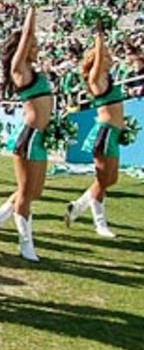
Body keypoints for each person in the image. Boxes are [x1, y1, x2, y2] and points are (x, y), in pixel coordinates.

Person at [0, 7, 49, 259]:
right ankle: (25, 244)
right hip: (28, 137)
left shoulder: (34, 70)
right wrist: (31, 7)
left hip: (40, 138)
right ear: (23, 46)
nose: (37, 46)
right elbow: (28, 32)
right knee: (25, 194)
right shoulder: (20, 70)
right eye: (33, 43)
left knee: (33, 192)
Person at [66, 28, 122, 238]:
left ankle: (77, 206)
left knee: (111, 179)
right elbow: (99, 59)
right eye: (105, 56)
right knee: (102, 180)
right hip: (105, 133)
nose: (109, 58)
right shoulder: (95, 78)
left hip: (114, 133)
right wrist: (99, 37)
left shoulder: (108, 77)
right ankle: (100, 224)